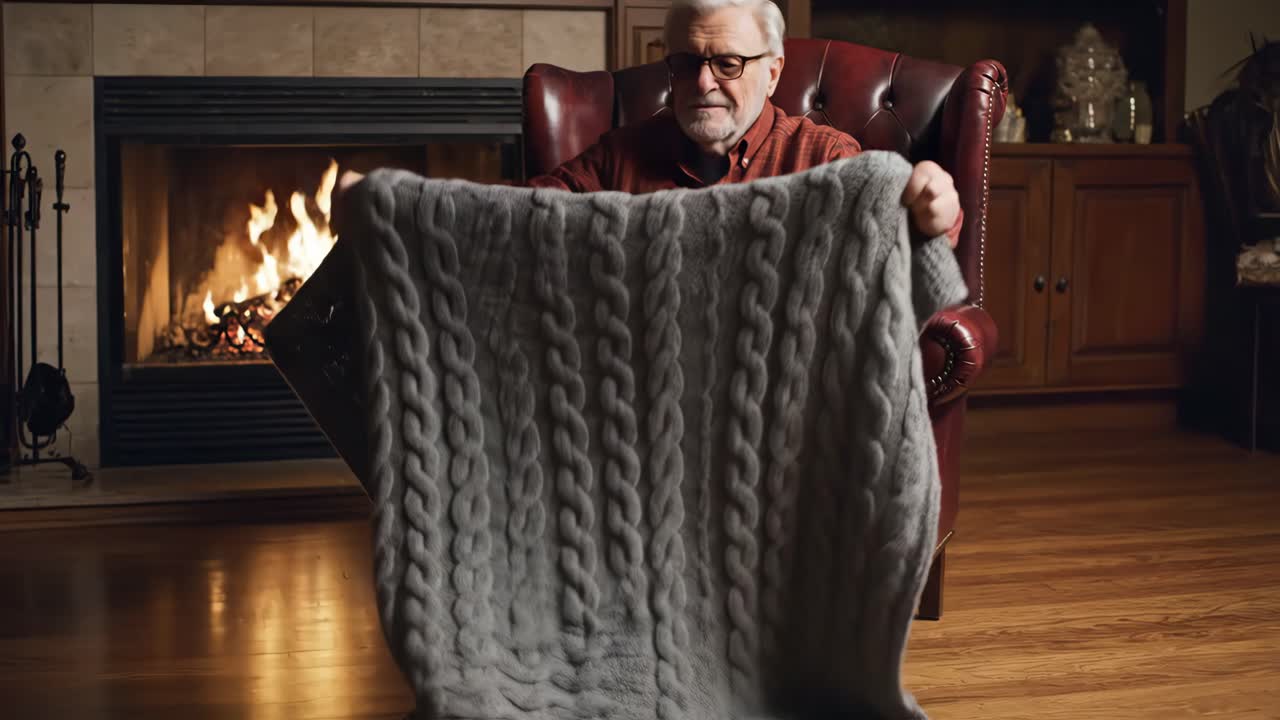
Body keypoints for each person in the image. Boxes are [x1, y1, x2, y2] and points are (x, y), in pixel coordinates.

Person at [335, 0, 962, 247]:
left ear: (773, 74)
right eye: (685, 63)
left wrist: (934, 208)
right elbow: (519, 211)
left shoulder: (824, 156)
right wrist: (399, 203)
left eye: (726, 63)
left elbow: (903, 230)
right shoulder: (622, 154)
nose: (702, 83)